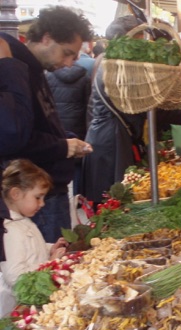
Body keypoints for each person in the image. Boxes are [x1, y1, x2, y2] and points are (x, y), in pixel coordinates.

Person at [82, 15, 181, 205]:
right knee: (111, 199)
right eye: (140, 41)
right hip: (112, 142)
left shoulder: (109, 62)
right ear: (126, 41)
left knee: (112, 197)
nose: (144, 46)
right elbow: (143, 108)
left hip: (107, 136)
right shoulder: (120, 67)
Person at [0, 6, 94, 243]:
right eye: (67, 53)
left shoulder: (34, 69)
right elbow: (15, 135)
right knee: (47, 266)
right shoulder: (15, 66)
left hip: (50, 189)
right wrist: (63, 147)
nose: (70, 63)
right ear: (46, 38)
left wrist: (66, 139)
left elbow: (42, 122)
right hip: (37, 195)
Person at [0, 159, 68, 318]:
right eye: (38, 197)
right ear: (16, 194)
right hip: (19, 307)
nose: (42, 204)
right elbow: (15, 277)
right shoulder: (9, 230)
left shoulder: (21, 220)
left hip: (34, 294)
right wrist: (49, 263)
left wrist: (49, 247)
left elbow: (31, 247)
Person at [46, 63, 91, 195]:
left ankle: (60, 189)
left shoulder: (49, 76)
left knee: (61, 155)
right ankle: (77, 194)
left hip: (58, 124)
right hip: (78, 122)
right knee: (77, 160)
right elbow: (88, 104)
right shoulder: (84, 78)